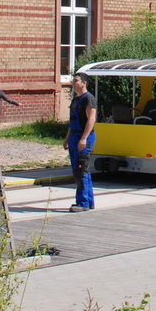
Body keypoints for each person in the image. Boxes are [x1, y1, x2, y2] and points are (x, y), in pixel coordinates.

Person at [65, 72, 97, 212]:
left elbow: (91, 119)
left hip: (84, 137)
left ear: (84, 83)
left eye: (76, 81)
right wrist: (67, 138)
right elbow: (72, 121)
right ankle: (88, 201)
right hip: (74, 136)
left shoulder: (88, 98)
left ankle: (83, 202)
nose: (74, 83)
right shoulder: (75, 99)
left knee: (81, 168)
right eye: (74, 81)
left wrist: (84, 138)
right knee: (81, 169)